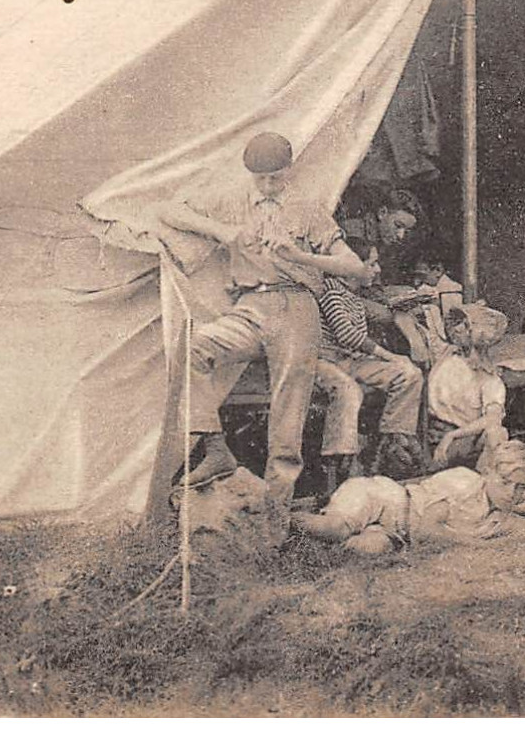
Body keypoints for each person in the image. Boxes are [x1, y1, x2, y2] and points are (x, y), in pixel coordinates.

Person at [155, 131, 373, 541]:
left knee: (286, 422)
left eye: (276, 178)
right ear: (249, 174)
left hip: (296, 310)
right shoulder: (231, 200)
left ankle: (273, 533)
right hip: (249, 306)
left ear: (289, 171)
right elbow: (165, 210)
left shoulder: (308, 210)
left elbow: (355, 267)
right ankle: (216, 449)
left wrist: (298, 255)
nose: (269, 186)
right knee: (194, 350)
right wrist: (221, 231)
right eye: (261, 179)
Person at [292, 439, 525, 552]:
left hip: (397, 533)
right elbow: (427, 529)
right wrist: (475, 544)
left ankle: (297, 539)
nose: (513, 493)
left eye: (521, 487)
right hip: (383, 499)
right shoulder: (466, 483)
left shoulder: (504, 505)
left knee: (361, 551)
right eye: (507, 483)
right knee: (337, 529)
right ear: (490, 473)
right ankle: (277, 517)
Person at [312, 241, 426, 493]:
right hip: (328, 361)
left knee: (410, 374)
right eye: (371, 263)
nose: (377, 269)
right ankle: (340, 466)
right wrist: (390, 356)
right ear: (351, 266)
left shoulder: (354, 296)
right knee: (348, 392)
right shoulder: (330, 290)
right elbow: (346, 335)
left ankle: (392, 442)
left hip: (352, 362)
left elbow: (378, 317)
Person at [426, 303, 510, 470]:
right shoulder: (446, 354)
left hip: (460, 439)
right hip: (428, 434)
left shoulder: (490, 380)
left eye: (464, 325)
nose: (456, 329)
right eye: (456, 323)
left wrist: (451, 436)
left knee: (497, 433)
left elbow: (492, 419)